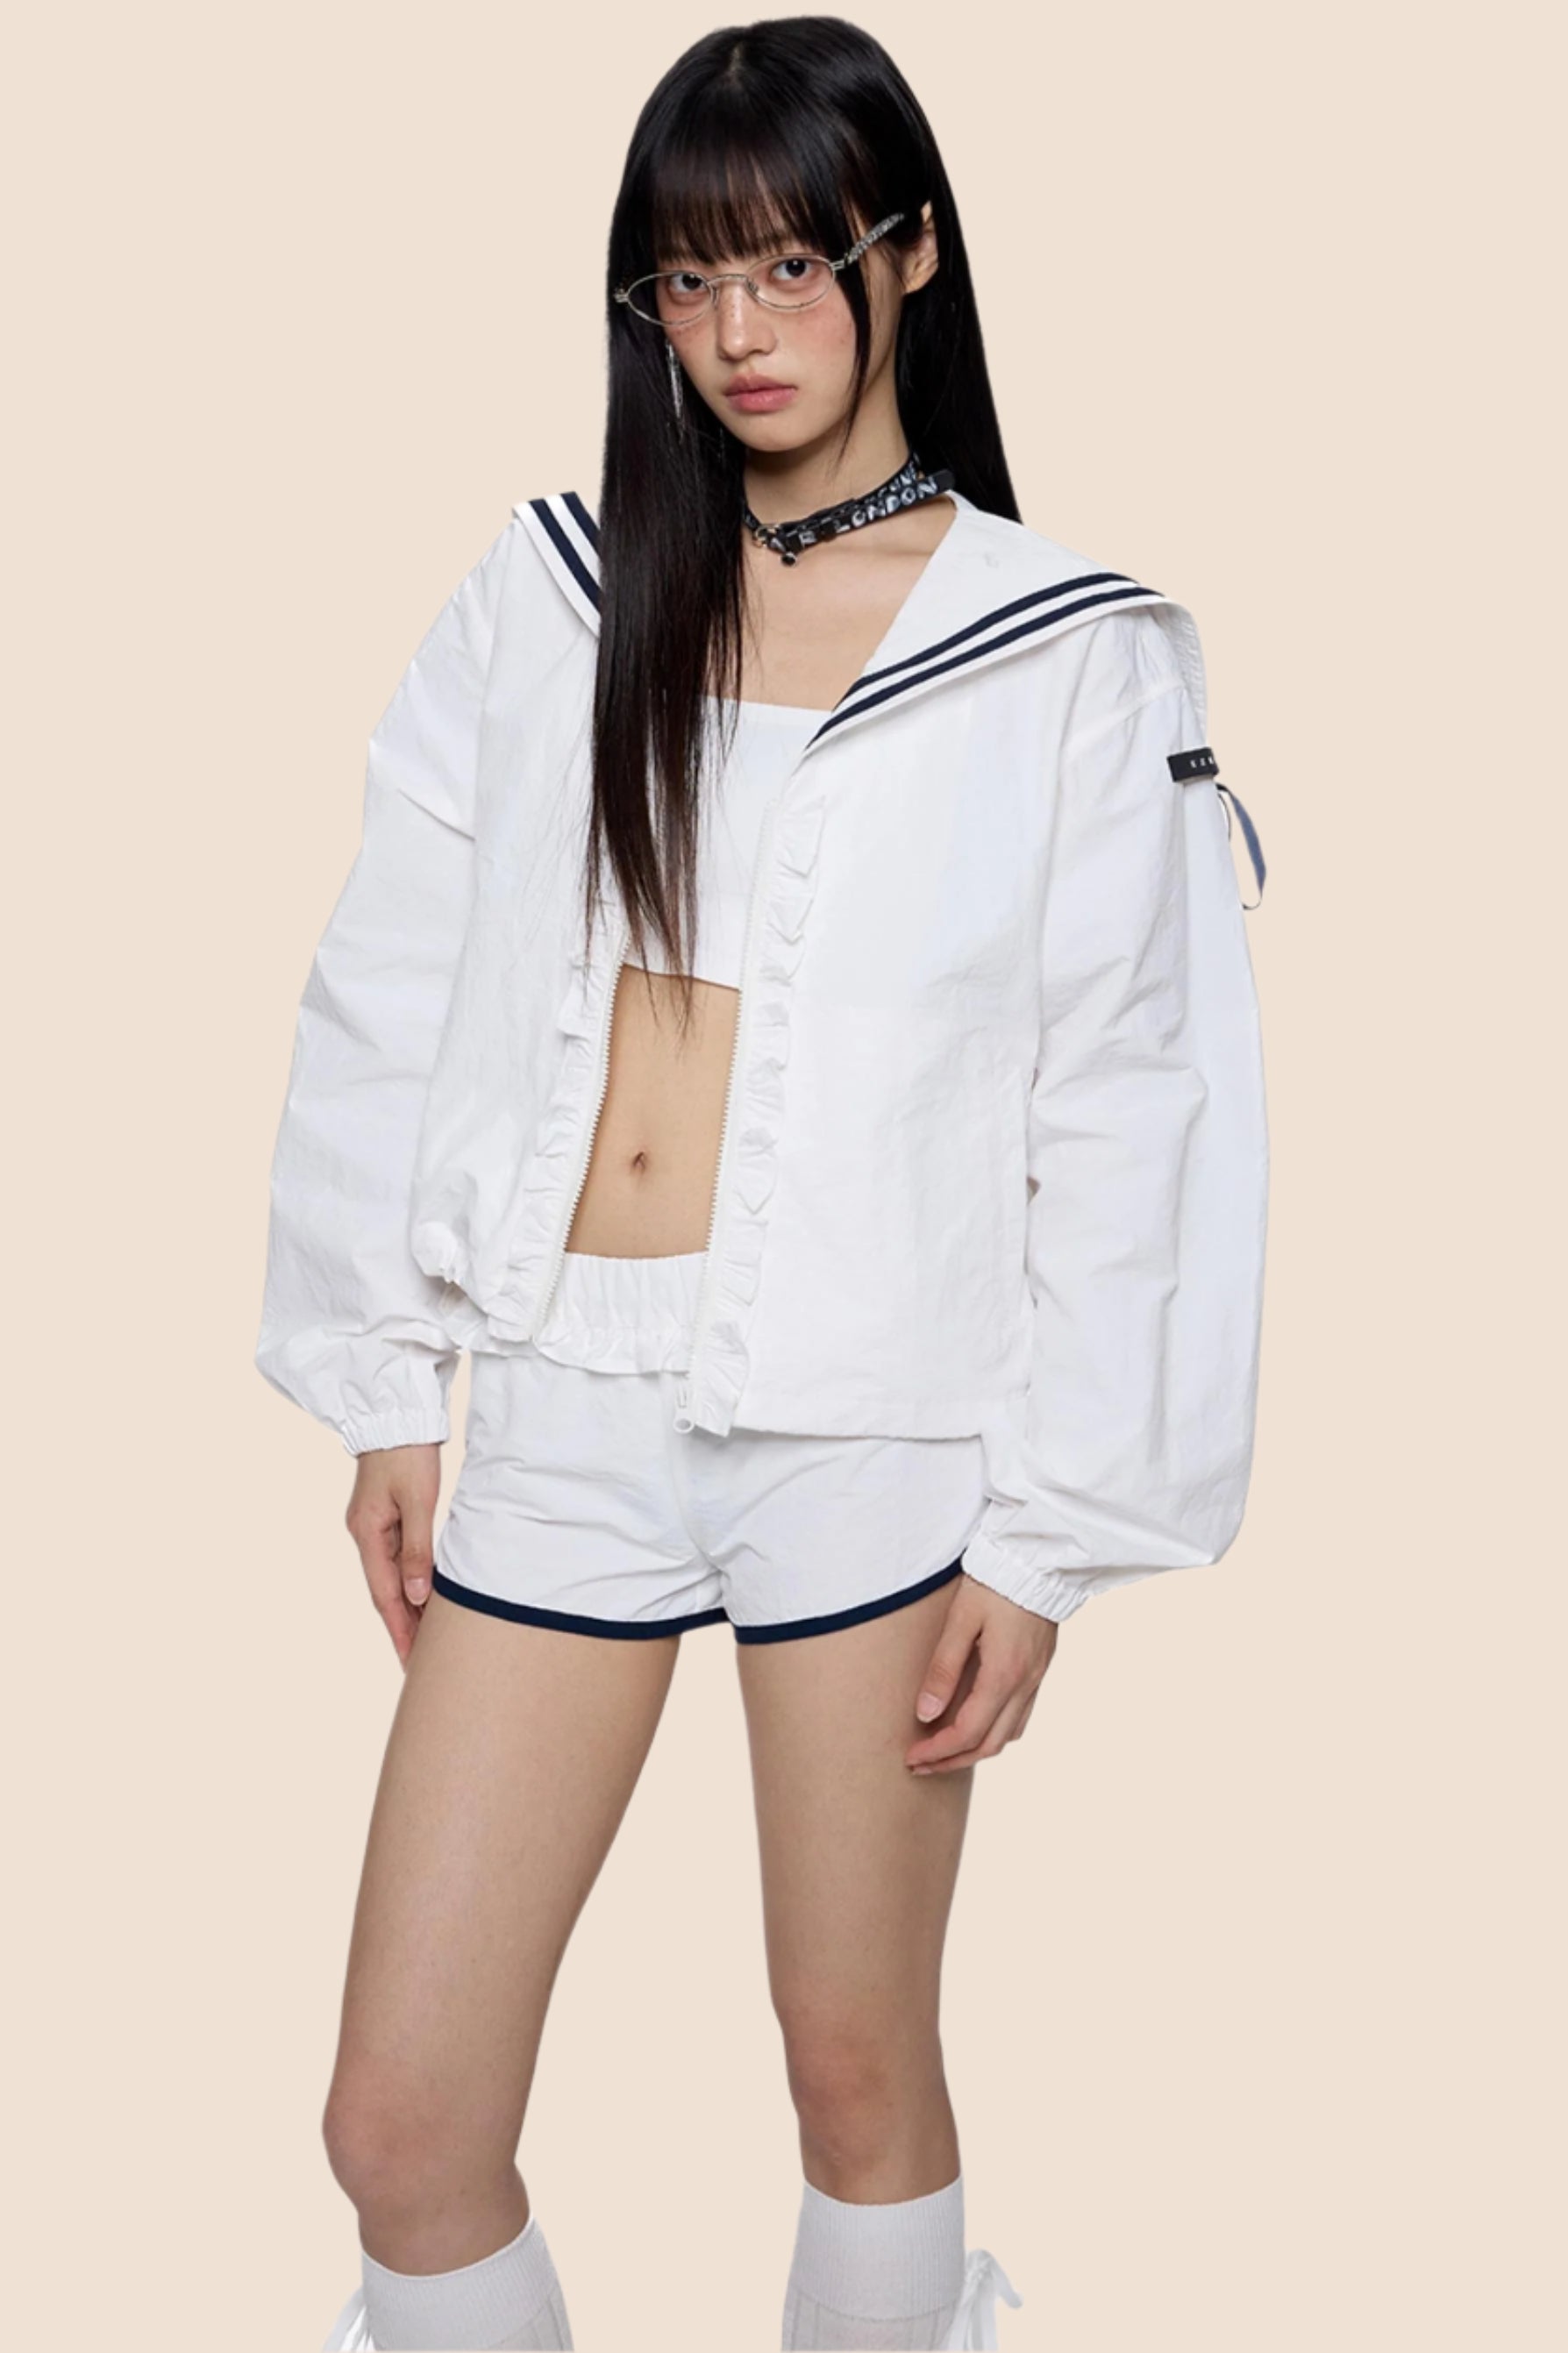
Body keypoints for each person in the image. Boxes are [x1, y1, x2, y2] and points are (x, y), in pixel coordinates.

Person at [254, 18, 1269, 2351]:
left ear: (906, 254)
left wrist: (1047, 1533)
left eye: (791, 265)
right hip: (563, 1393)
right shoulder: (555, 589)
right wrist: (383, 1382)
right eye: (685, 279)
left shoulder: (1063, 649)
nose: (736, 329)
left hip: (870, 1414)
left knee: (852, 2069)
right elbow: (390, 973)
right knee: (401, 2120)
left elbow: (1138, 1099)